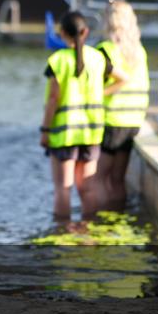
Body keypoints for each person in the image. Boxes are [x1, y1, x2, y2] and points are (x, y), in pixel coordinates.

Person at [40, 11, 117, 220]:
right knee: (88, 188)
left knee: (63, 188)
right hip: (91, 133)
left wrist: (45, 130)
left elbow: (53, 100)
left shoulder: (57, 61)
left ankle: (62, 233)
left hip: (64, 135)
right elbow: (121, 78)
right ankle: (88, 230)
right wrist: (102, 93)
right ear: (86, 32)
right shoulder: (99, 58)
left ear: (62, 33)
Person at [96, 0, 150, 209]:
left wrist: (97, 95)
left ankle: (96, 222)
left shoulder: (106, 50)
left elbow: (119, 80)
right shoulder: (139, 51)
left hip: (113, 121)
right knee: (118, 179)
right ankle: (118, 219)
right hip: (133, 121)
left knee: (97, 178)